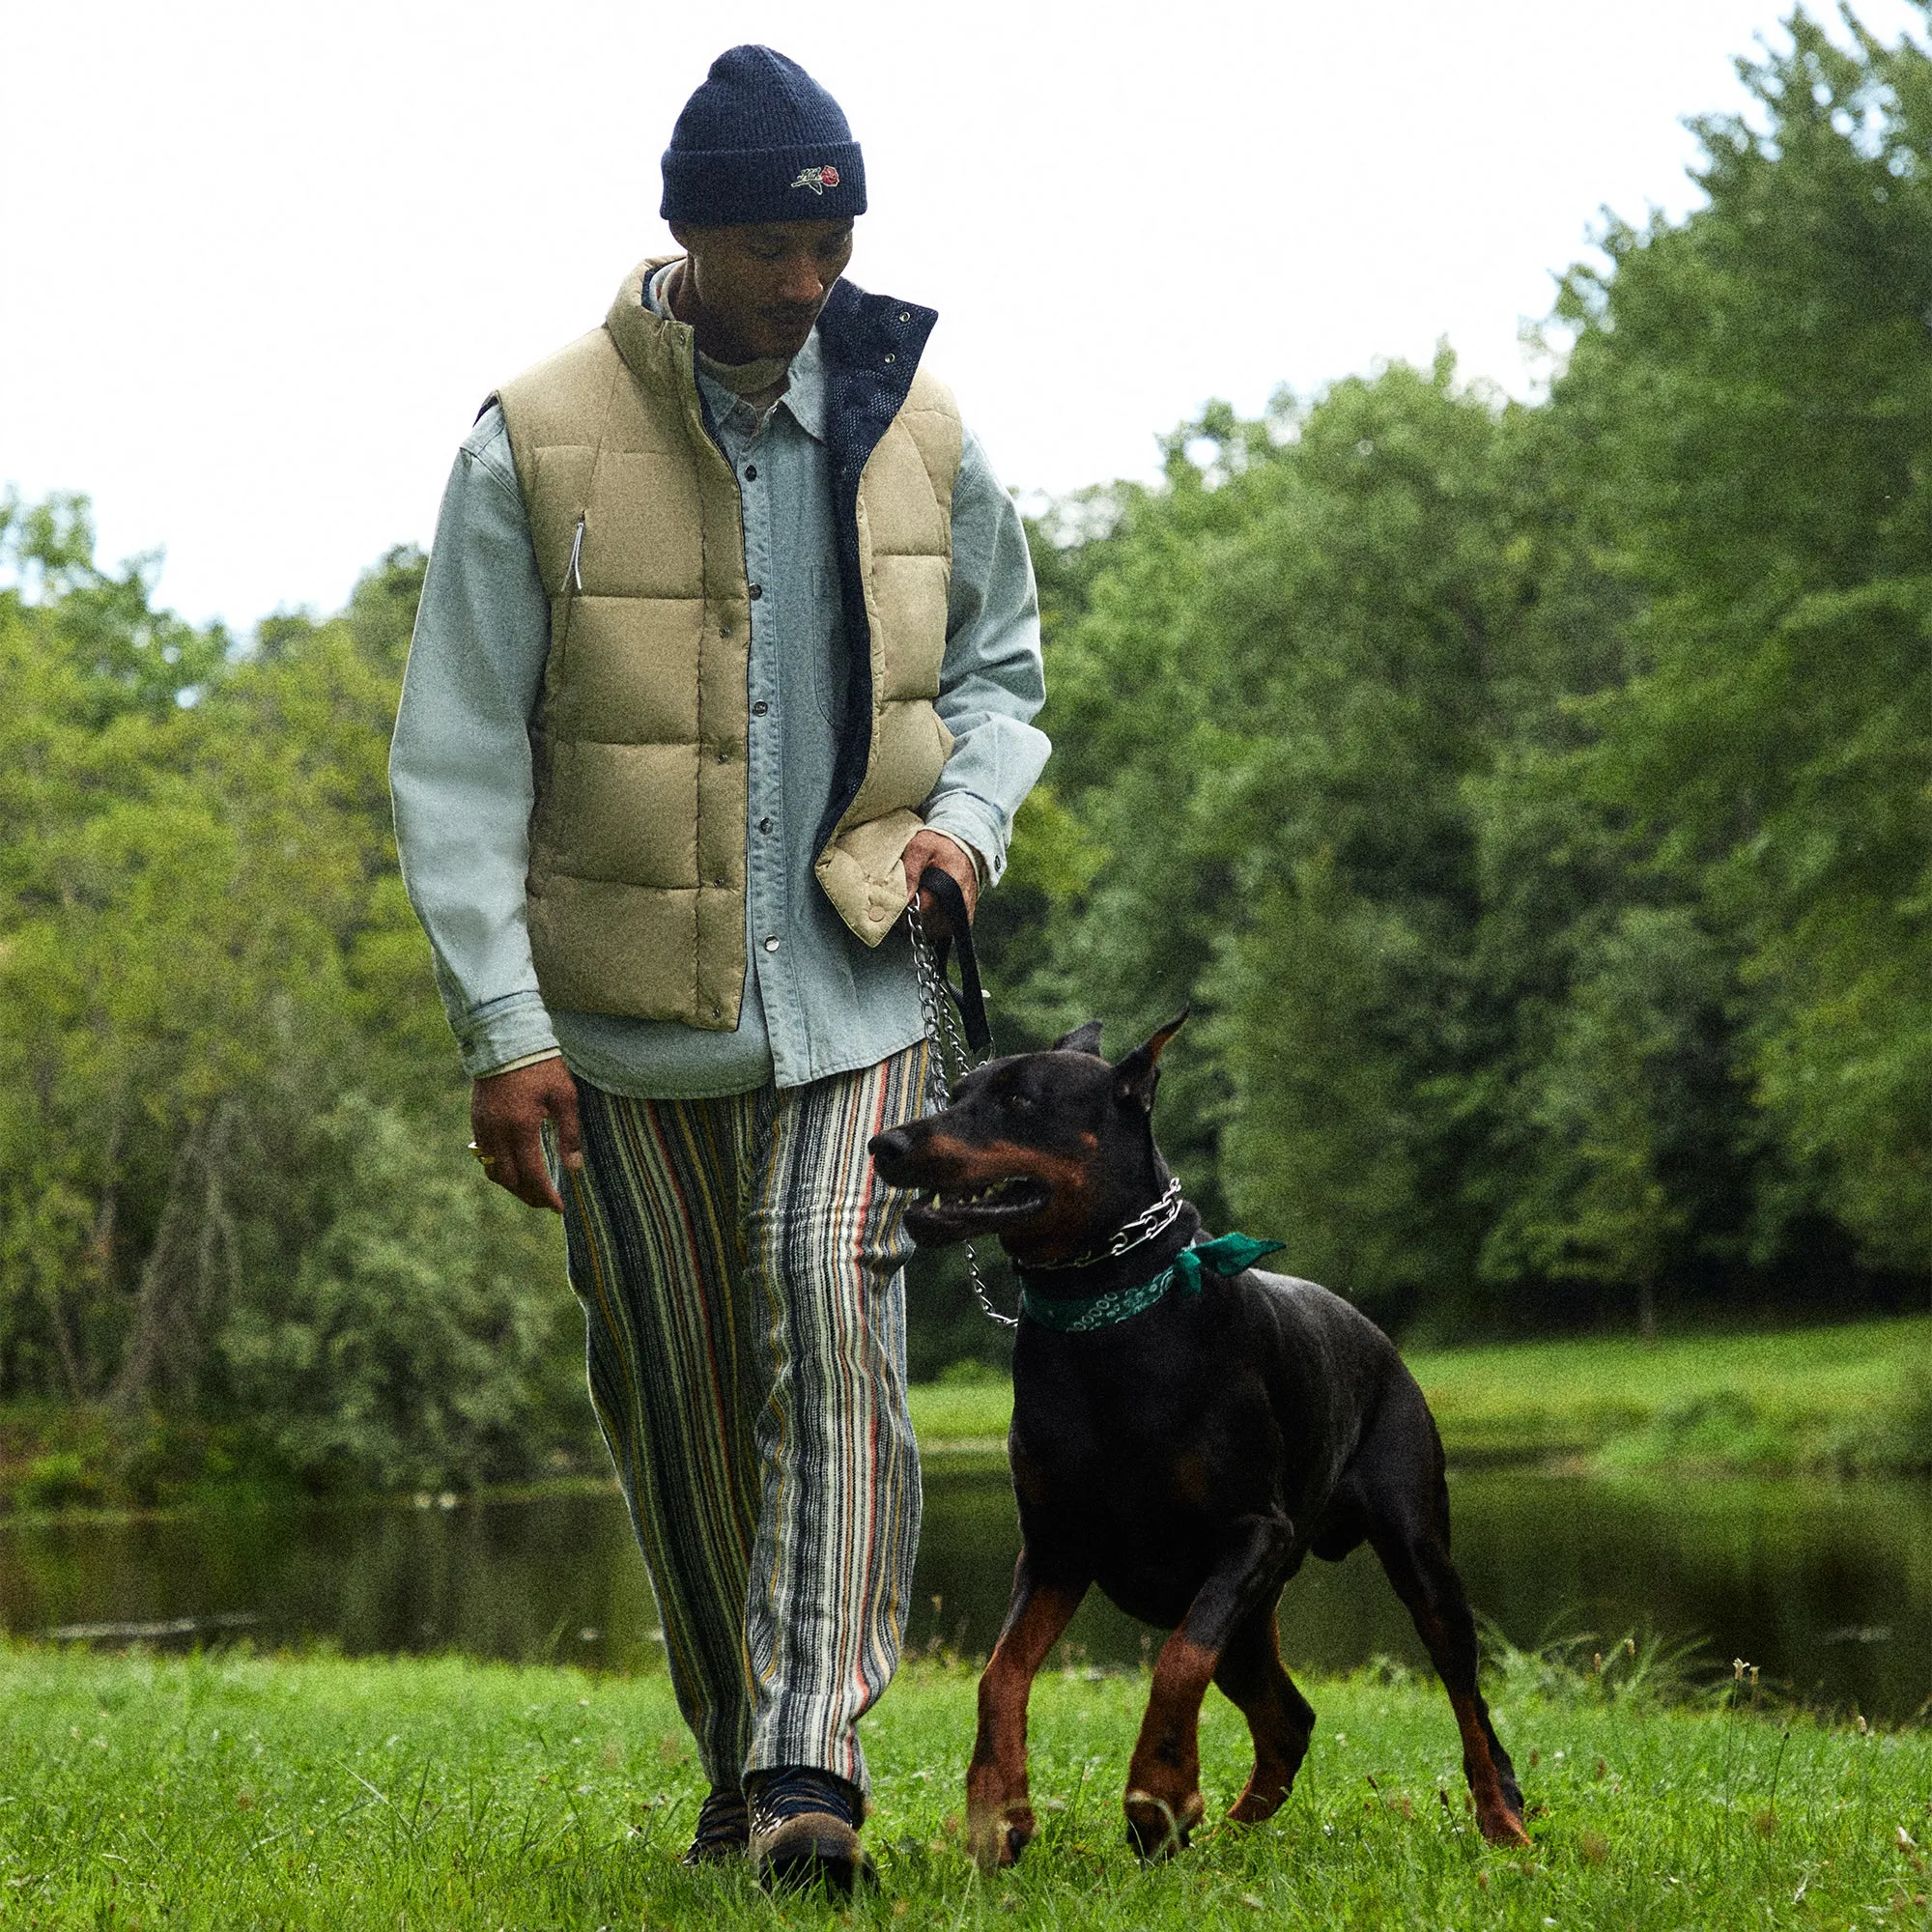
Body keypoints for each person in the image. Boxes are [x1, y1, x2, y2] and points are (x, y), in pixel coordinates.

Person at [388, 44, 1049, 1892]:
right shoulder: (529, 439)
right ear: (688, 233)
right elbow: (454, 754)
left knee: (830, 1328)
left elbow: (1001, 673)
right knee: (681, 1416)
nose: (808, 286)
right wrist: (502, 1029)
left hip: (861, 997)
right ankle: (735, 1761)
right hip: (616, 1027)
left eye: (833, 249)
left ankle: (807, 1767)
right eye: (773, 247)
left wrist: (964, 830)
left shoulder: (919, 426)